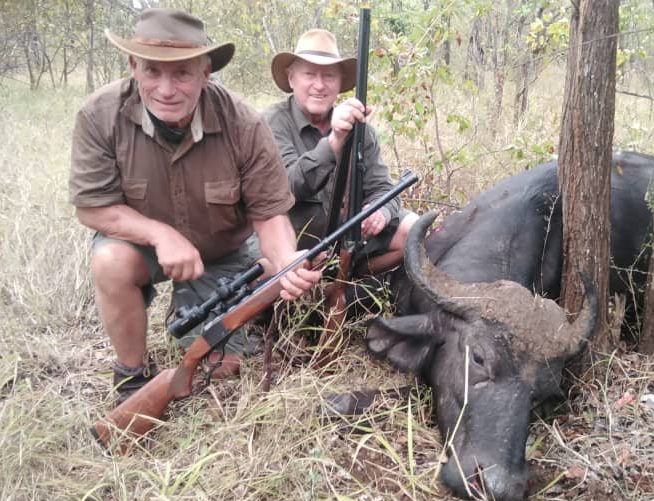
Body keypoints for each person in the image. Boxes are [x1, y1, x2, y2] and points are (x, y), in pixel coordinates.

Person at [68, 8, 321, 403]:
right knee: (110, 260)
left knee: (228, 361)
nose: (167, 89)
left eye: (182, 73)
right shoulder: (100, 115)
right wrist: (159, 234)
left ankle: (213, 319)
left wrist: (289, 263)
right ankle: (133, 378)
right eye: (153, 71)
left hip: (224, 255)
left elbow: (269, 216)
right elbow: (91, 208)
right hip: (148, 251)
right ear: (133, 67)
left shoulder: (243, 123)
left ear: (206, 73)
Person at [262, 29, 417, 275]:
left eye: (329, 76)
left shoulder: (360, 128)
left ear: (339, 83)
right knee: (263, 269)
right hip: (295, 250)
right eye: (309, 74)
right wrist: (335, 141)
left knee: (414, 232)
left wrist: (380, 211)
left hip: (349, 242)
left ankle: (348, 284)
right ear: (291, 79)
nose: (320, 85)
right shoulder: (272, 123)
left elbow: (384, 189)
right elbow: (290, 185)